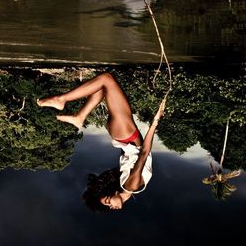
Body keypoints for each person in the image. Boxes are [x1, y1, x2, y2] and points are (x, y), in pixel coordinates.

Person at [37, 72, 165, 211]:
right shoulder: (130, 188)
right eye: (110, 205)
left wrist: (155, 121)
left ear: (111, 193)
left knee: (106, 79)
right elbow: (143, 154)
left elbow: (145, 153)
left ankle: (62, 100)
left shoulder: (129, 187)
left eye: (108, 202)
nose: (111, 206)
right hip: (123, 136)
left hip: (126, 135)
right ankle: (80, 116)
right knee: (103, 88)